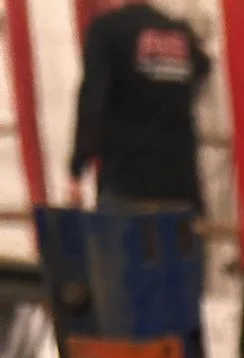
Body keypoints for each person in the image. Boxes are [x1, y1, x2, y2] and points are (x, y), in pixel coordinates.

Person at [68, 0, 211, 212]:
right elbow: (203, 66)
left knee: (121, 243)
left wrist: (77, 168)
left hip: (127, 183)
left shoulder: (108, 30)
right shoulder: (180, 33)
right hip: (180, 183)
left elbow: (93, 101)